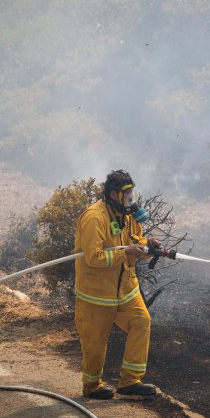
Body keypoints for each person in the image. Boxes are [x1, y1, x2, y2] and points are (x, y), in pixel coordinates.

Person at [73, 169, 162, 399]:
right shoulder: (95, 218)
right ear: (114, 194)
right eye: (127, 193)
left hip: (125, 290)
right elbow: (94, 258)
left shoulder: (128, 215)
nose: (131, 197)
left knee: (141, 322)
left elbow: (135, 242)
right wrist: (127, 253)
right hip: (97, 295)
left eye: (132, 192)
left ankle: (130, 381)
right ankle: (91, 387)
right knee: (95, 343)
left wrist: (148, 244)